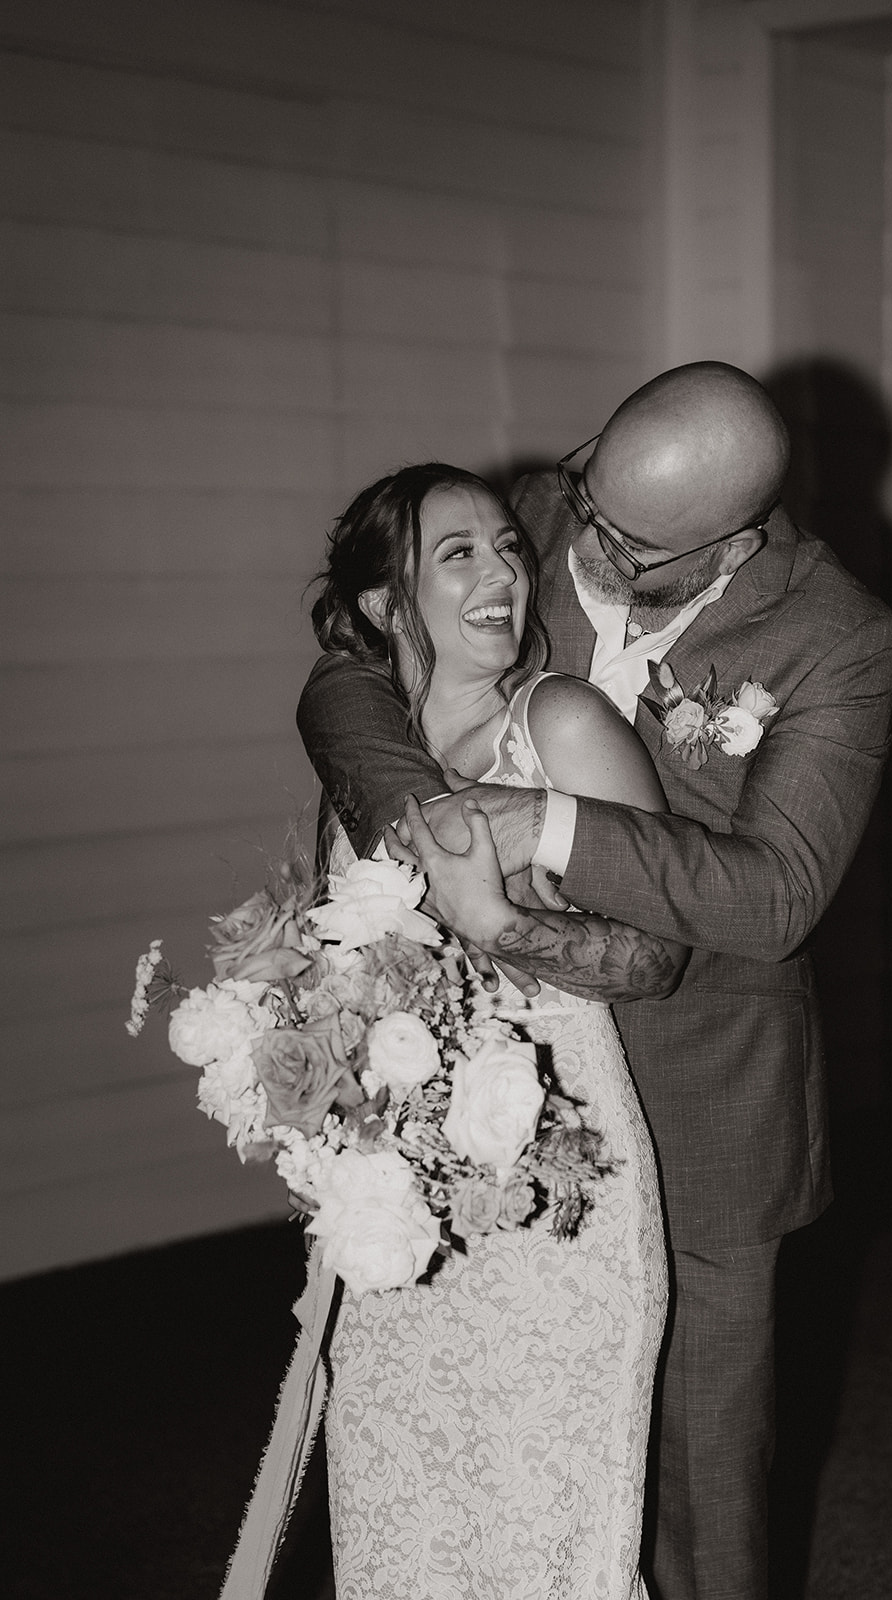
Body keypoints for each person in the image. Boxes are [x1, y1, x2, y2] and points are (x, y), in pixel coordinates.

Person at [298, 363, 892, 1600]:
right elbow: (355, 671)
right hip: (484, 1087)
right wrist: (432, 829)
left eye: (633, 541)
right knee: (502, 1432)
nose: (583, 542)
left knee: (696, 1477)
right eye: (586, 496)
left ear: (735, 535)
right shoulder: (527, 519)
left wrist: (547, 824)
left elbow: (776, 895)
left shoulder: (839, 636)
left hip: (705, 1096)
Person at [304, 462, 687, 1599]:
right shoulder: (370, 769)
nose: (502, 572)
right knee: (403, 1505)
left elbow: (657, 954)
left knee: (545, 1523)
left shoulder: (561, 723)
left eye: (509, 545)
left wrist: (495, 922)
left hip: (560, 1181)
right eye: (457, 552)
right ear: (386, 601)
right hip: (395, 1198)